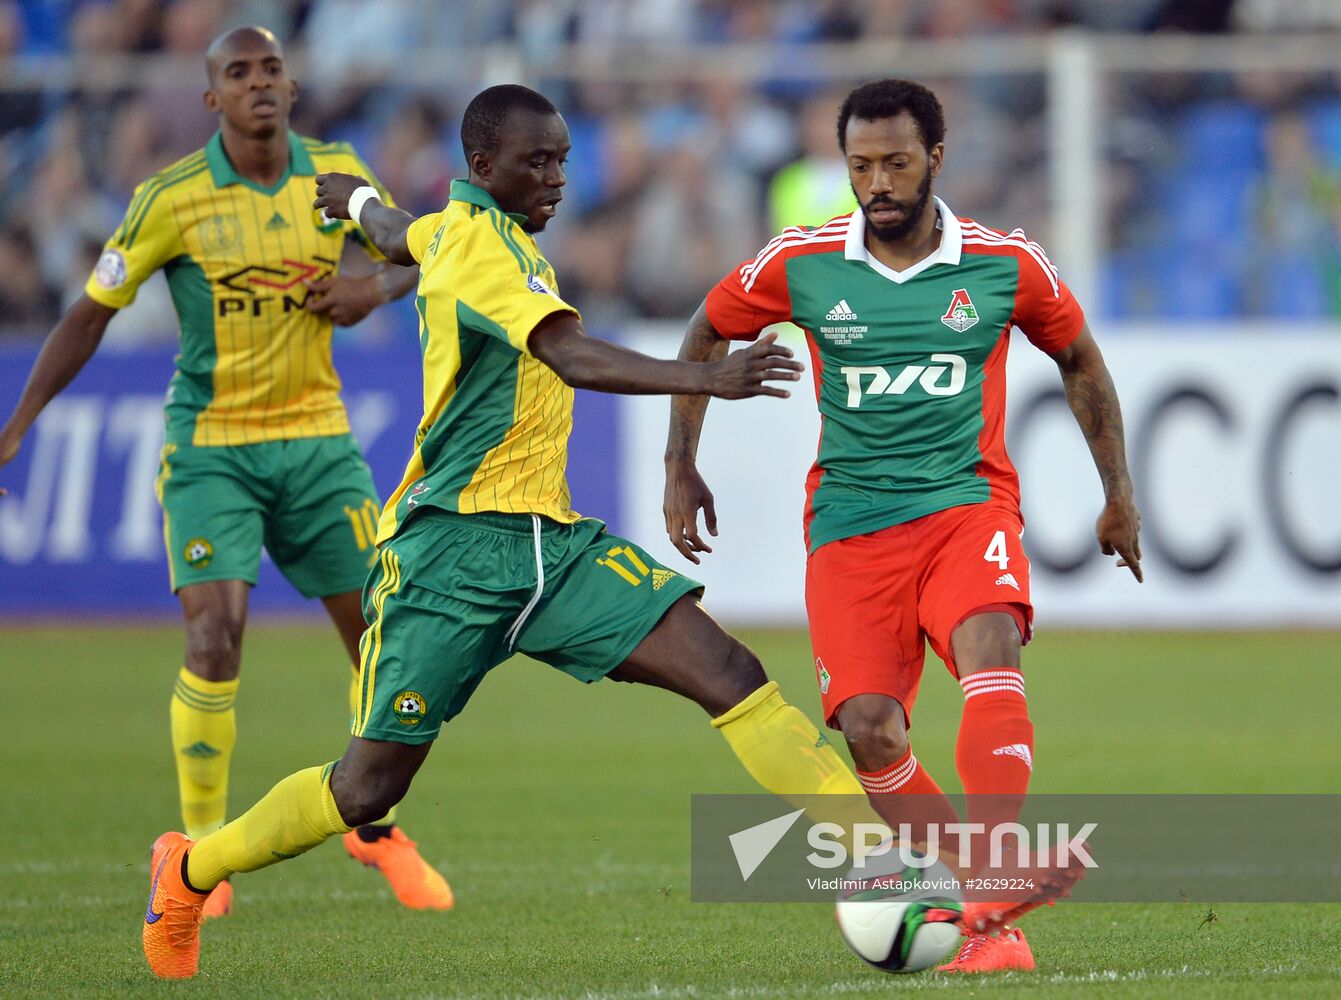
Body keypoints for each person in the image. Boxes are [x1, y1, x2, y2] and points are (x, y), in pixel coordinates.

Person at [135, 82, 915, 981]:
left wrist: (353, 203)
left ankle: (877, 857)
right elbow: (569, 355)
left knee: (731, 675)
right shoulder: (481, 250)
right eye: (534, 163)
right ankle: (188, 870)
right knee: (365, 788)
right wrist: (708, 378)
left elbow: (398, 234)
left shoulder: (460, 229)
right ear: (482, 166)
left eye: (561, 161)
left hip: (552, 547)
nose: (554, 180)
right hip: (448, 556)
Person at [663, 78, 1141, 974]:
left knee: (989, 644)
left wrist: (1117, 492)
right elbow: (704, 332)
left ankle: (993, 878)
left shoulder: (1004, 263)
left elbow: (1078, 357)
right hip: (849, 527)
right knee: (873, 728)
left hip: (966, 506)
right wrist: (679, 461)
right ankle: (991, 930)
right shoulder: (800, 262)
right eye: (858, 166)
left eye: (894, 163)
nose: (875, 182)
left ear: (935, 161)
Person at [0, 27, 452, 916]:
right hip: (211, 448)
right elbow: (91, 314)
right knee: (214, 636)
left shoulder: (336, 176)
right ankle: (201, 858)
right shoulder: (172, 198)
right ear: (211, 98)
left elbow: (428, 250)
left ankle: (374, 829)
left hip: (319, 444)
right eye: (237, 73)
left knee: (383, 642)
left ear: (290, 86)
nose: (257, 84)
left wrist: (371, 287)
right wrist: (18, 424)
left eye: (271, 69)